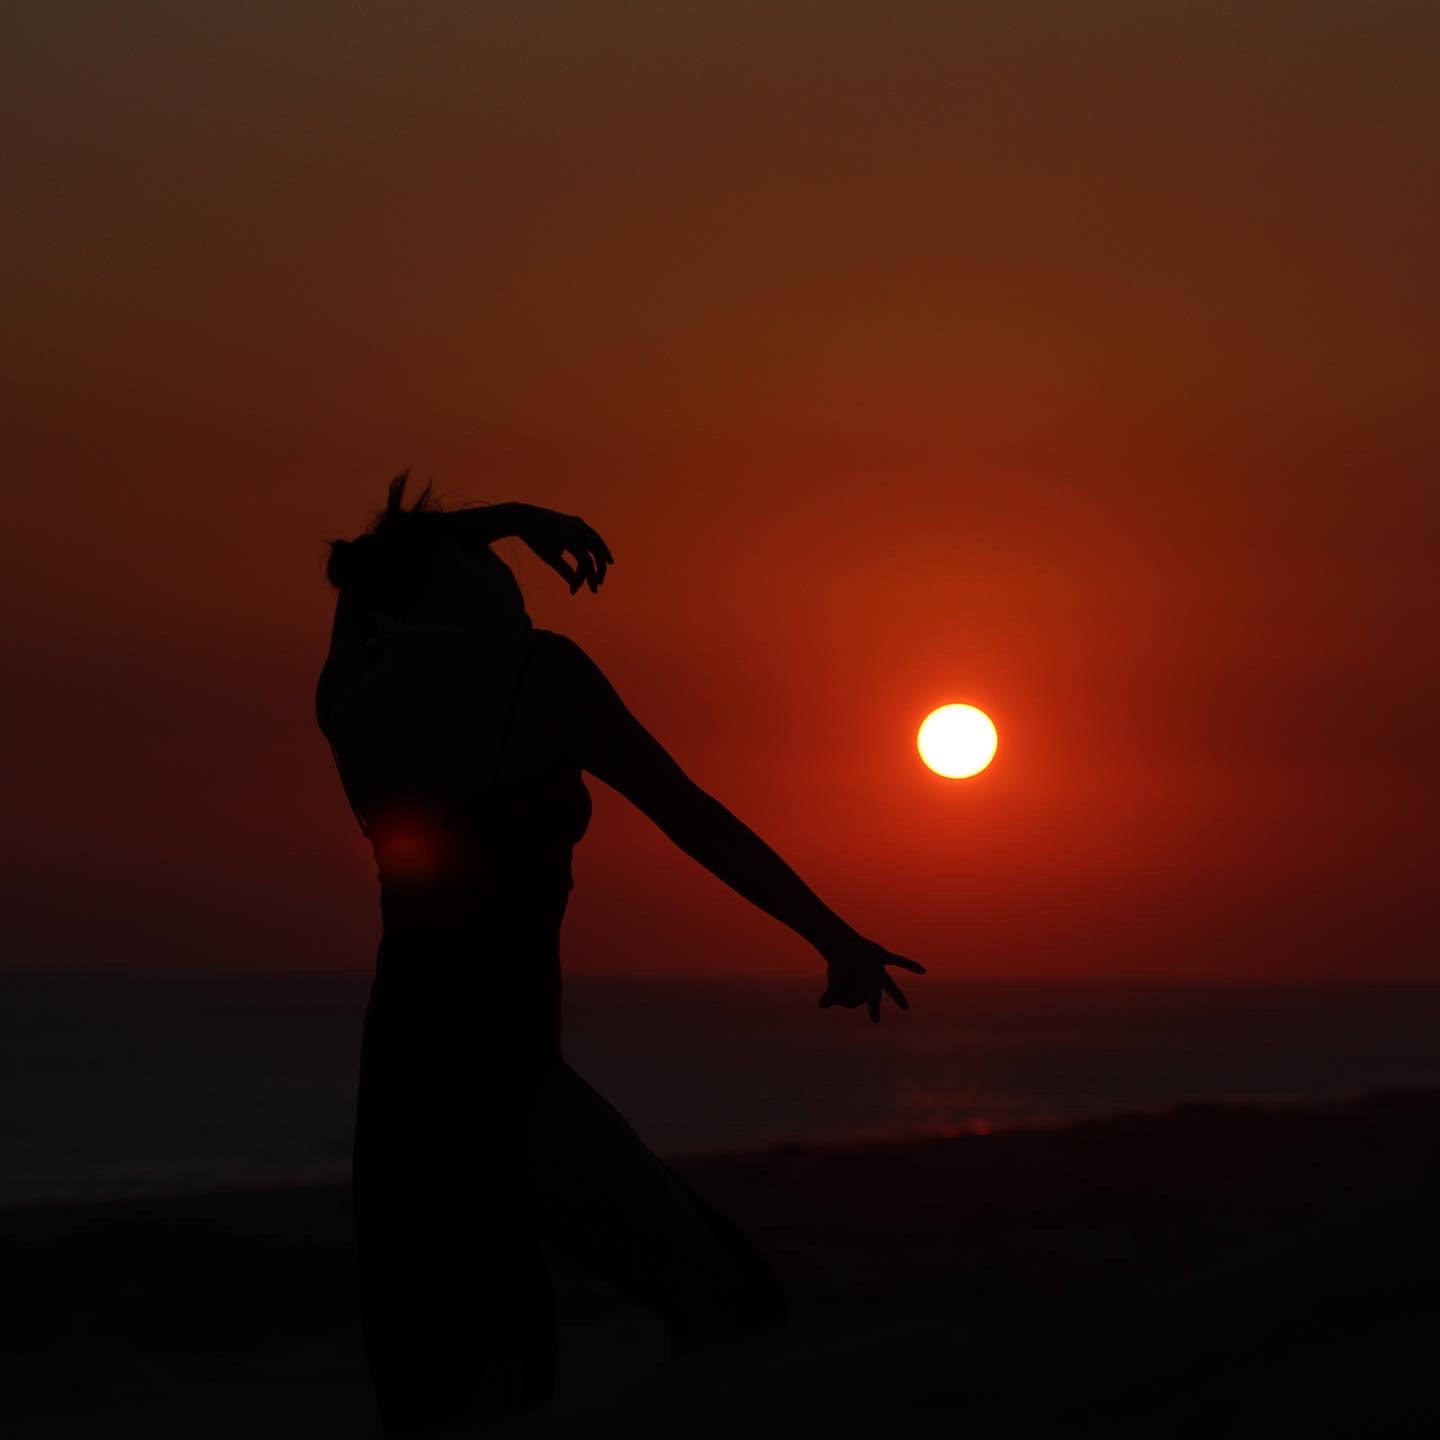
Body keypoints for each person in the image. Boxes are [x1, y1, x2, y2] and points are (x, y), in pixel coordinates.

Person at [317, 475, 925, 1433]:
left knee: (466, 1383)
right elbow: (690, 814)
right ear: (454, 580)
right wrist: (834, 936)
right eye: (484, 556)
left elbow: (370, 575)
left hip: (400, 1078)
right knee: (727, 1304)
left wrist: (512, 521)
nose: (502, 565)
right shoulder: (536, 672)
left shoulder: (352, 696)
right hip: (499, 1071)